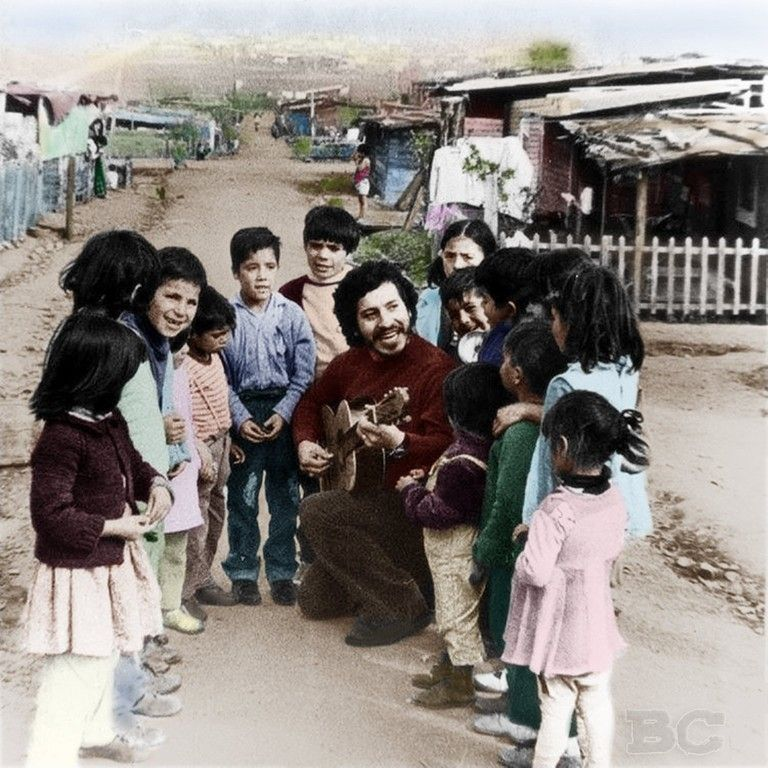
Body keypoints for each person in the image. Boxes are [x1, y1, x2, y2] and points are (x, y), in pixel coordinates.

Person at [23, 311, 173, 767]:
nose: (127, 383)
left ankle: (95, 733)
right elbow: (49, 515)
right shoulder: (62, 437)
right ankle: (48, 757)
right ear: (95, 375)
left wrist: (157, 484)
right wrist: (111, 527)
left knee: (104, 654)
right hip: (78, 572)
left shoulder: (108, 420)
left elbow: (135, 463)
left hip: (109, 564)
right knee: (76, 669)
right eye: (122, 374)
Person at [292, 259, 455, 647]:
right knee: (313, 601)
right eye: (370, 315)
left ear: (408, 307)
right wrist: (306, 441)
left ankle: (401, 605)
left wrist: (399, 442)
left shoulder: (436, 368)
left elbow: (446, 444)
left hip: (411, 506)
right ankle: (401, 580)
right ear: (355, 323)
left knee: (317, 510)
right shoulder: (349, 363)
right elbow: (311, 403)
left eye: (393, 307)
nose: (386, 322)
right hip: (365, 502)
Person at [58, 230, 182, 735]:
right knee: (111, 598)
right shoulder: (103, 342)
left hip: (131, 482)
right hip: (112, 491)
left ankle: (126, 690)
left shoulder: (97, 335)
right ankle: (115, 707)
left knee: (125, 591)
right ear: (129, 288)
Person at [501, 390, 649, 768]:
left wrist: (527, 548)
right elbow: (601, 544)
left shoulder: (556, 509)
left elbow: (536, 571)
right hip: (596, 626)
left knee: (556, 706)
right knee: (596, 703)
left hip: (560, 633)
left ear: (562, 447)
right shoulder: (613, 499)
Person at [470, 320, 570, 748]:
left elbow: (507, 502)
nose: (501, 364)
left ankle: (526, 722)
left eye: (505, 358)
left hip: (513, 557)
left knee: (515, 636)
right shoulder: (541, 426)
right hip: (534, 551)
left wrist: (484, 551)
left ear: (516, 374)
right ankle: (518, 707)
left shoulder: (520, 434)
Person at [397, 363, 510, 707]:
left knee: (455, 618)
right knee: (452, 611)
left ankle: (460, 682)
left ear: (453, 414)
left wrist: (410, 491)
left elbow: (438, 512)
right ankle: (448, 669)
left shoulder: (463, 463)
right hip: (452, 553)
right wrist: (427, 480)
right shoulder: (474, 448)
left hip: (455, 554)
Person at [221, 227, 316, 607]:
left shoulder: (291, 315)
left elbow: (303, 374)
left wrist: (284, 411)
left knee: (285, 497)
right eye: (251, 267)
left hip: (282, 413)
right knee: (243, 497)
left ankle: (281, 571)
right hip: (243, 412)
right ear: (236, 271)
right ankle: (243, 571)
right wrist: (239, 418)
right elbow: (219, 377)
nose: (261, 276)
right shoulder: (226, 317)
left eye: (269, 266)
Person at [521, 263, 651, 539]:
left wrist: (536, 520)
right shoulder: (627, 369)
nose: (552, 328)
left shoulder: (566, 384)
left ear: (573, 324)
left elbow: (548, 460)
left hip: (575, 516)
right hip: (620, 504)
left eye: (555, 318)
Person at [181, 286, 239, 619]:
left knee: (217, 512)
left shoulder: (215, 358)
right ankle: (186, 589)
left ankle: (202, 577)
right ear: (192, 334)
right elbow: (182, 415)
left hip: (222, 443)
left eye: (226, 332)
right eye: (216, 335)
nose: (224, 340)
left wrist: (231, 441)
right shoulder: (183, 367)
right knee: (197, 518)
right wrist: (199, 451)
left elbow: (221, 401)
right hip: (200, 449)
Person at [279, 205, 361, 379]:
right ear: (305, 246)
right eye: (315, 246)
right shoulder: (290, 293)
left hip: (361, 379)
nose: (323, 255)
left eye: (334, 248)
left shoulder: (365, 285)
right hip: (313, 383)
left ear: (348, 251)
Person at [159, 332, 205, 635]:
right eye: (176, 346)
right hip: (158, 467)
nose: (185, 351)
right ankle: (149, 613)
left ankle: (171, 607)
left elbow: (188, 419)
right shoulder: (152, 374)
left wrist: (195, 452)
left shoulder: (181, 372)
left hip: (183, 469)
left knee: (177, 544)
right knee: (153, 546)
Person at [415, 219, 496, 349]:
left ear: (487, 259)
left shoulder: (501, 302)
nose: (457, 265)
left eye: (467, 257)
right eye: (450, 256)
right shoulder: (428, 301)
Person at [474, 248, 536, 368]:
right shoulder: (497, 334)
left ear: (509, 310)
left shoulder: (500, 348)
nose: (482, 305)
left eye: (485, 300)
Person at [438, 267, 489, 362]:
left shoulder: (516, 351)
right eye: (454, 315)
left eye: (470, 309)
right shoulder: (449, 362)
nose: (463, 320)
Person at [352, 143, 371, 220]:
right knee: (360, 200)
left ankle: (363, 216)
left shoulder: (366, 160)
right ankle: (360, 215)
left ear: (363, 152)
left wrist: (356, 161)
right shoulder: (363, 159)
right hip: (360, 182)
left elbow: (360, 168)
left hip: (363, 182)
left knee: (363, 200)